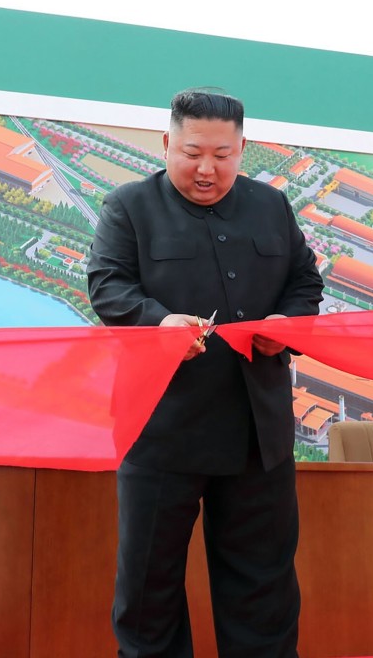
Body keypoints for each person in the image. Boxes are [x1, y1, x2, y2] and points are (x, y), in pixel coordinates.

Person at [87, 89, 323, 658]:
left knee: (263, 590)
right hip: (162, 430)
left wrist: (286, 324)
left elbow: (305, 283)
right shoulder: (128, 207)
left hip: (256, 435)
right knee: (149, 591)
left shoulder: (271, 207)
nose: (207, 169)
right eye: (192, 153)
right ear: (167, 143)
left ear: (243, 149)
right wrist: (160, 321)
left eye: (223, 154)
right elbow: (107, 286)